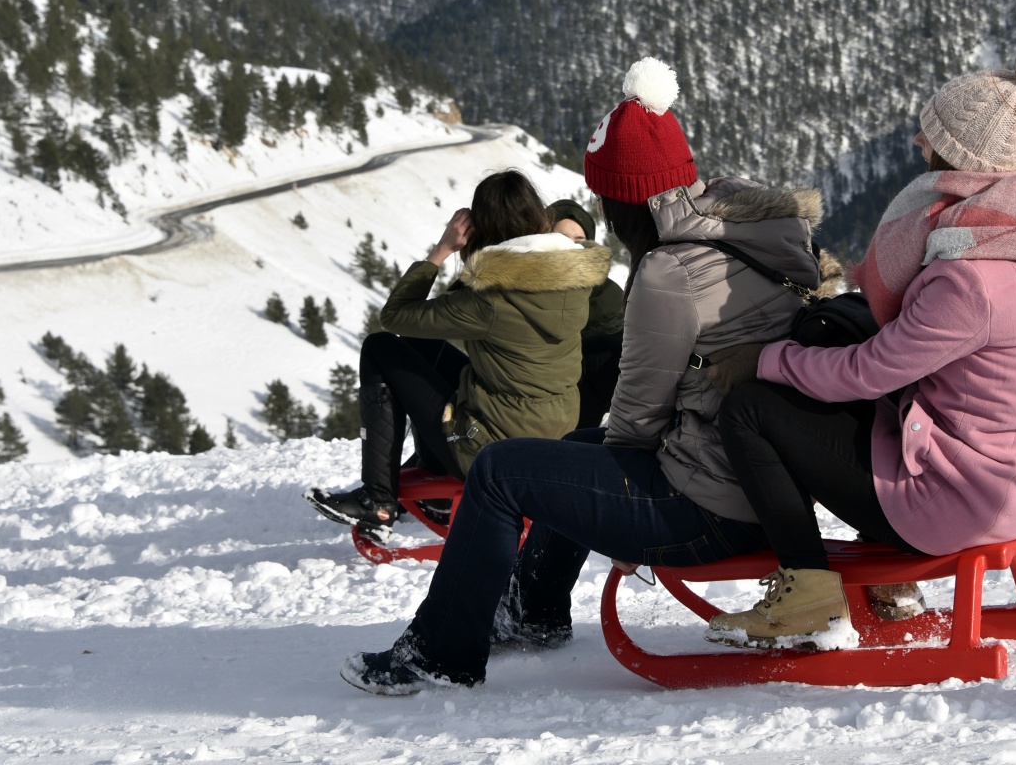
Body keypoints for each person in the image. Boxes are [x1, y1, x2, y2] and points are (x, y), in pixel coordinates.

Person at [337, 56, 823, 695]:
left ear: (620, 199)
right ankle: (533, 612)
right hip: (766, 489)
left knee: (501, 470)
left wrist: (615, 519)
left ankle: (440, 653)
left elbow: (637, 420)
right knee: (567, 452)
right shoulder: (754, 230)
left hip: (706, 506)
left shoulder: (668, 271)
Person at [702, 49, 1016, 649]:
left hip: (956, 498)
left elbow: (869, 372)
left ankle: (807, 594)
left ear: (963, 159)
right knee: (847, 356)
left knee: (752, 409)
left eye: (934, 135)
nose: (920, 142)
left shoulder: (973, 277)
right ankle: (887, 586)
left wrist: (764, 361)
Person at [304, 169, 611, 538]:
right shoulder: (574, 276)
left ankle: (378, 501)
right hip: (554, 433)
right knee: (421, 344)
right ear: (541, 221)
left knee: (380, 347)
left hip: (496, 447)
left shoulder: (488, 299)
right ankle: (433, 474)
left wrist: (443, 250)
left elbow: (396, 316)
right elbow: (427, 326)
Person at [546, 199, 625, 429]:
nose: (570, 248)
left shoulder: (608, 296)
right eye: (559, 240)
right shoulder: (524, 289)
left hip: (578, 415)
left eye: (579, 241)